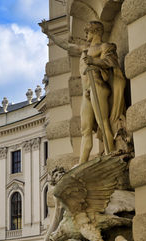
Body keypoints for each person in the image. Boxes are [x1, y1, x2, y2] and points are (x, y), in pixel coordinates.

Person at [40, 20, 125, 164]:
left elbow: (111, 62)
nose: (86, 35)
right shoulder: (84, 49)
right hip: (87, 91)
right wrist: (50, 35)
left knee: (103, 122)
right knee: (85, 129)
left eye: (88, 32)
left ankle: (111, 155)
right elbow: (67, 46)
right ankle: (82, 162)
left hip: (98, 87)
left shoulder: (105, 47)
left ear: (96, 31)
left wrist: (94, 61)